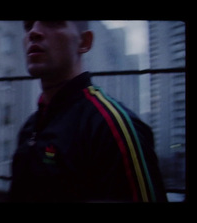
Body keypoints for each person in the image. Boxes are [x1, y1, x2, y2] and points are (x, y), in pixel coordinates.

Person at [9, 21, 167, 202]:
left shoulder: (111, 127)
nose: (34, 32)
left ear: (84, 42)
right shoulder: (30, 126)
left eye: (52, 22)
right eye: (28, 26)